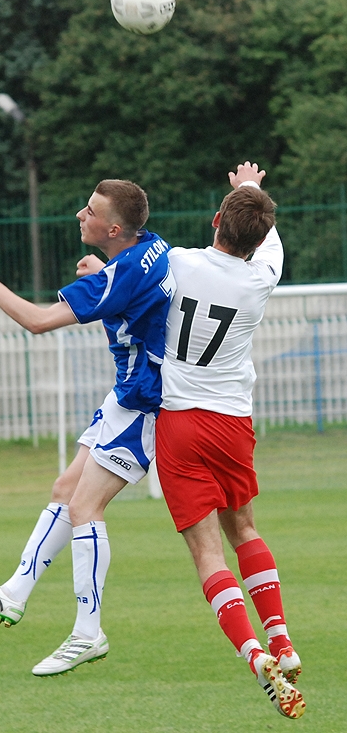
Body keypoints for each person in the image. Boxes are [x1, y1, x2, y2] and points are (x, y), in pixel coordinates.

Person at [0, 178, 175, 677]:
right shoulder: (153, 248)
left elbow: (37, 320)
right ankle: (12, 594)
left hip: (144, 403)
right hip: (128, 397)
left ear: (113, 228)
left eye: (89, 211)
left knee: (84, 506)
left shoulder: (120, 273)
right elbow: (139, 293)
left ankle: (88, 632)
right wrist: (108, 270)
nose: (79, 215)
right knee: (65, 488)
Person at [155, 162, 306, 719]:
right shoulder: (263, 275)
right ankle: (283, 641)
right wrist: (253, 187)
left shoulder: (177, 262)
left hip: (180, 423)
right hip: (232, 424)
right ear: (261, 238)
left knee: (206, 553)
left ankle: (253, 655)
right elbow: (261, 234)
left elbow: (137, 290)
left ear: (215, 220)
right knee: (244, 528)